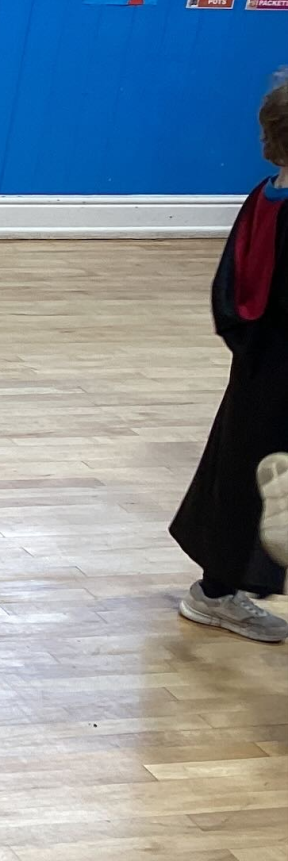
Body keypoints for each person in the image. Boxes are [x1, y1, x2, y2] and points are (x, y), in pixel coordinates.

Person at [172, 72, 288, 642]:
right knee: (254, 477)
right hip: (277, 369)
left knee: (244, 468)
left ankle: (217, 589)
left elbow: (233, 293)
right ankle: (217, 592)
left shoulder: (266, 194)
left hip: (259, 364)